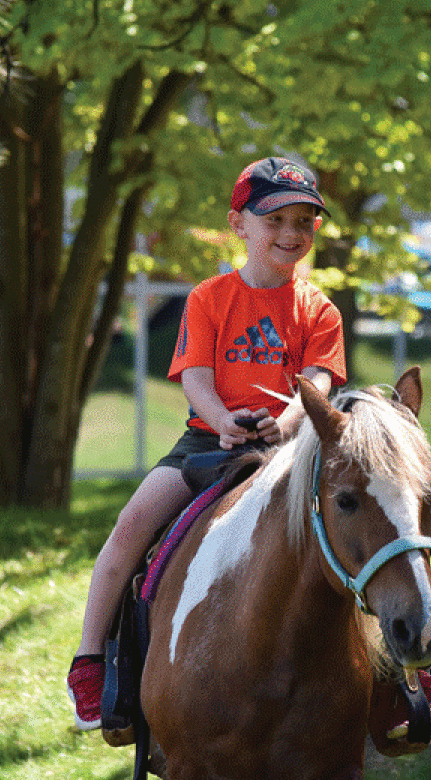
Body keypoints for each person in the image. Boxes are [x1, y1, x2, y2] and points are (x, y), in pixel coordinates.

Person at [66, 157, 349, 732]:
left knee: (370, 520)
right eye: (275, 221)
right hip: (207, 441)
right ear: (238, 224)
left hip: (291, 451)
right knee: (131, 525)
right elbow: (194, 372)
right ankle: (91, 658)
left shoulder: (320, 310)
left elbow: (319, 381)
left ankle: (403, 674)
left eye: (303, 222)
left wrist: (290, 421)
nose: (292, 235)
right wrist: (221, 419)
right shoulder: (209, 298)